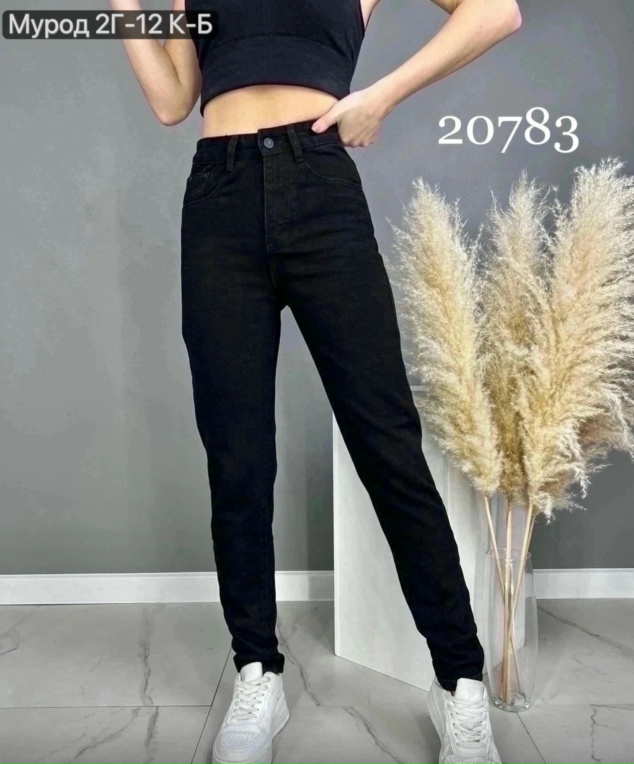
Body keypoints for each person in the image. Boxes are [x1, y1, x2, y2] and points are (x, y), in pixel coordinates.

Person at [114, 0, 521, 761]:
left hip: (320, 189)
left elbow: (496, 12)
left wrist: (382, 95)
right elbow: (173, 100)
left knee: (387, 444)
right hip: (219, 198)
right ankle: (256, 671)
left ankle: (459, 682)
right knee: (236, 457)